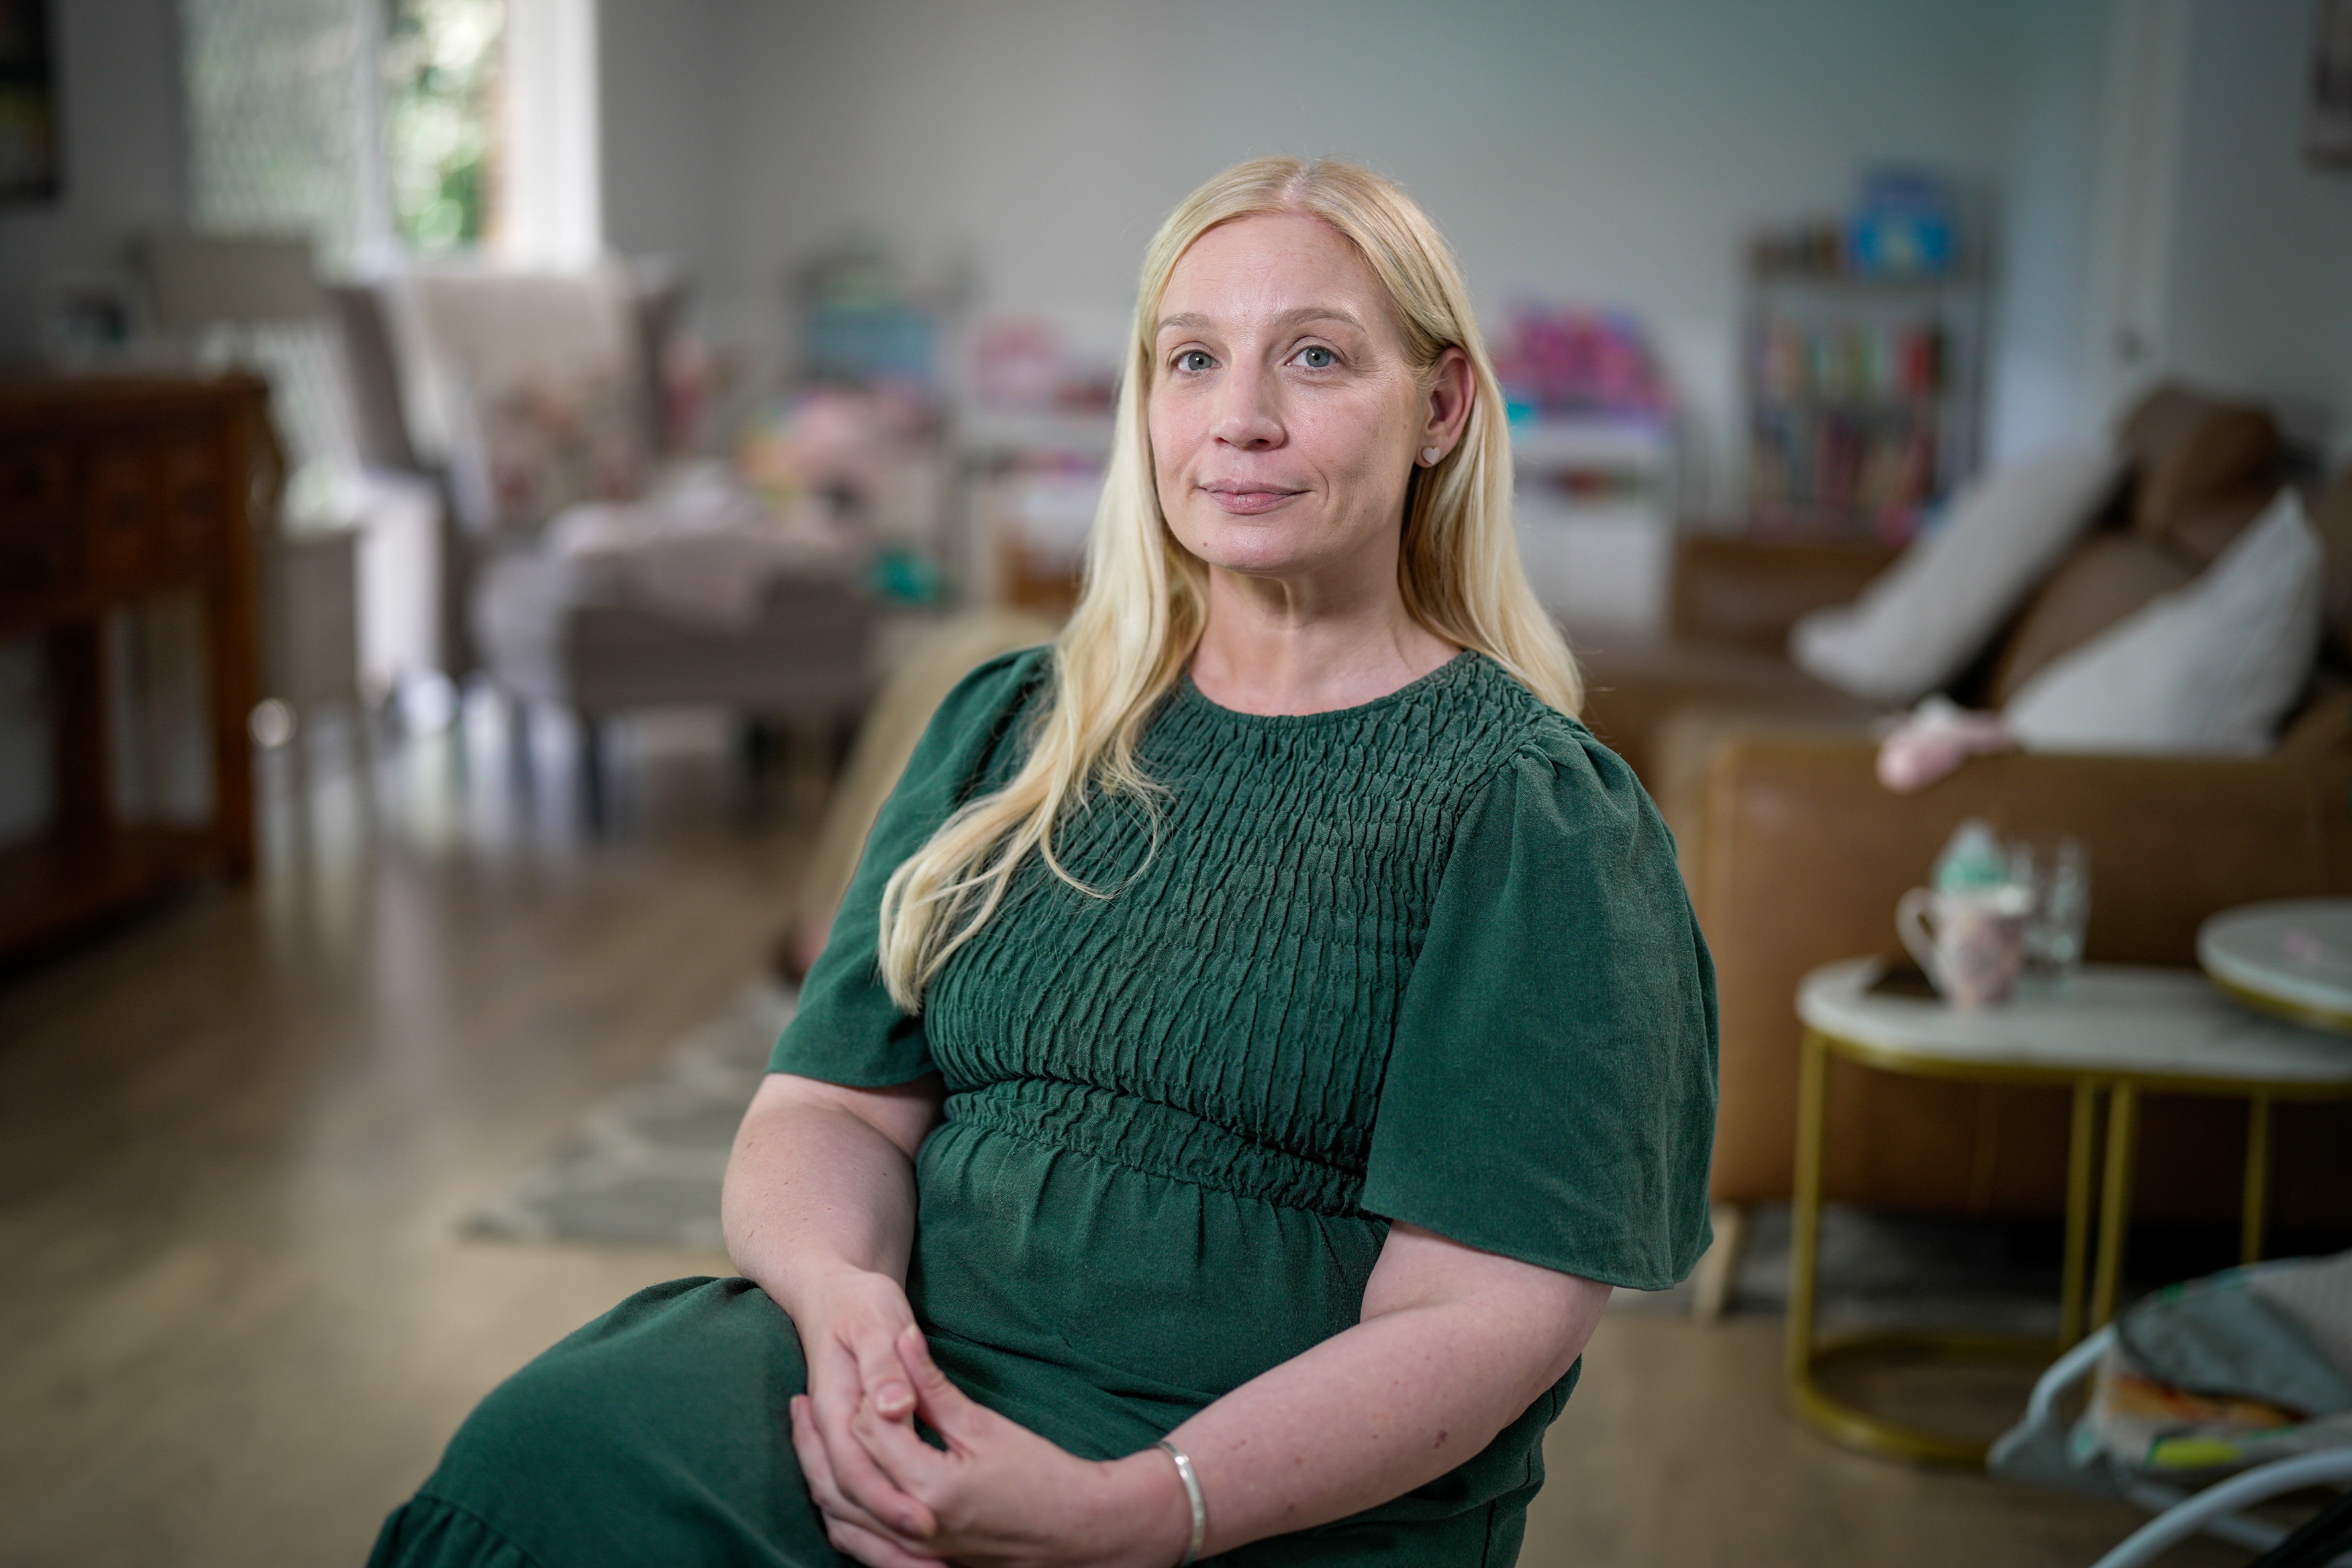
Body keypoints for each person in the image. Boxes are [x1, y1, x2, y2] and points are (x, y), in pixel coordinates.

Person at [370, 156, 1717, 1568]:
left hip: (1240, 1472)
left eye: (1314, 357)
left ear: (1441, 406)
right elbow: (827, 1107)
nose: (1241, 418)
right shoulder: (1014, 722)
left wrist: (1131, 1511)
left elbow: (1483, 1314)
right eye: (1192, 358)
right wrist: (846, 1321)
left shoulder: (1533, 815)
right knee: (538, 1465)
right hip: (911, 1378)